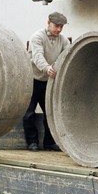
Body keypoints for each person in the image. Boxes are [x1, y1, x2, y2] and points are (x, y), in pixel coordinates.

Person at [23, 11, 70, 151]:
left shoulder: (63, 40)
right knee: (28, 113)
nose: (59, 29)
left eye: (62, 27)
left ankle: (49, 143)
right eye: (56, 26)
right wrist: (47, 68)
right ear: (48, 23)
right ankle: (32, 143)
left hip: (49, 82)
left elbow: (68, 56)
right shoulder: (37, 37)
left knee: (50, 113)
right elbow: (37, 56)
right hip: (32, 79)